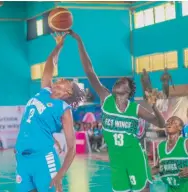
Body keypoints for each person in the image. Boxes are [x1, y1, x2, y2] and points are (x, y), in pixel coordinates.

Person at [69, 30, 165, 192]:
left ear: (128, 90)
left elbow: (161, 123)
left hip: (134, 157)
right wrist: (79, 41)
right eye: (117, 81)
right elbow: (89, 71)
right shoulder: (106, 98)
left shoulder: (135, 109)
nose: (117, 83)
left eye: (121, 82)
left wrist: (154, 105)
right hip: (116, 160)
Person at [15, 33, 85, 192]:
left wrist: (61, 174)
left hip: (44, 159)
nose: (59, 80)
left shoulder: (63, 109)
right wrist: (58, 46)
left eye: (63, 82)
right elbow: (49, 64)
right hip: (23, 158)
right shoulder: (45, 91)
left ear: (68, 93)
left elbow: (72, 147)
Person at [152, 116, 188, 192]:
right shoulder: (160, 146)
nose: (170, 123)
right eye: (168, 121)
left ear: (180, 128)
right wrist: (147, 173)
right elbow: (159, 167)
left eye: (174, 122)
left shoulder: (185, 143)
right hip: (170, 189)